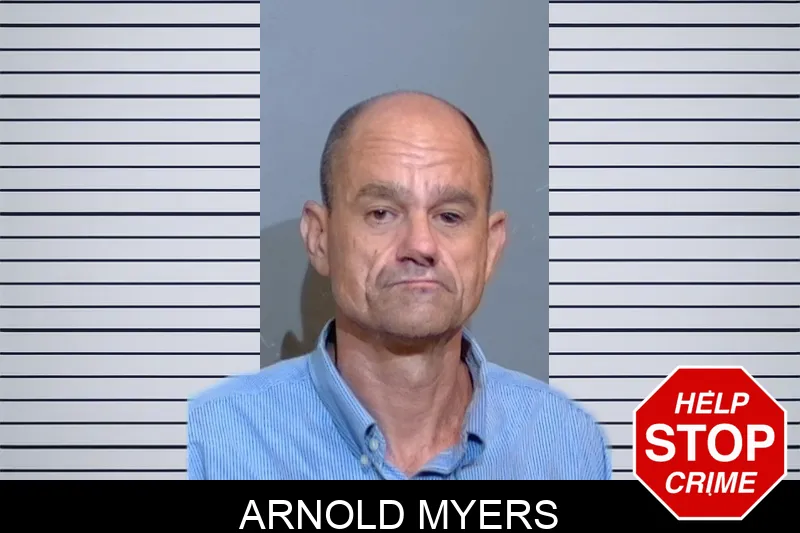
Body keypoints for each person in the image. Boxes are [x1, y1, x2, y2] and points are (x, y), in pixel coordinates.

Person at [187, 90, 611, 480]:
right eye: (381, 213)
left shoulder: (569, 446)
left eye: (449, 216)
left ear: (490, 247)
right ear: (320, 238)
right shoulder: (209, 447)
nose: (420, 246)